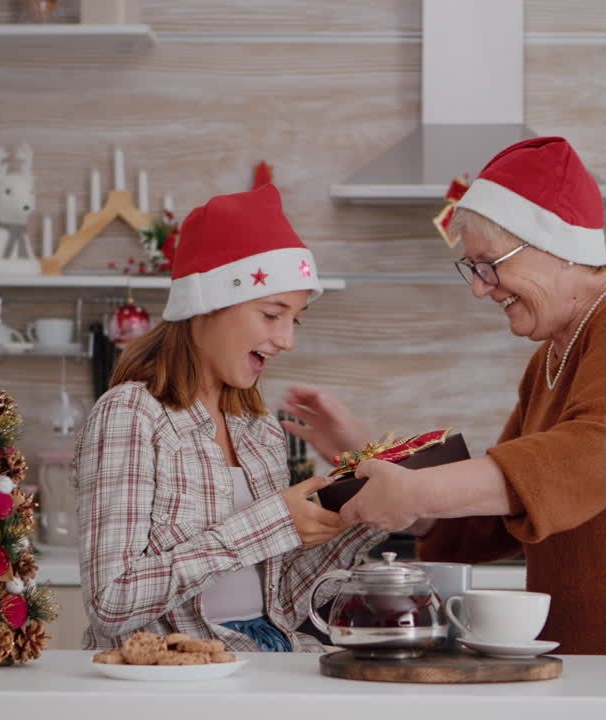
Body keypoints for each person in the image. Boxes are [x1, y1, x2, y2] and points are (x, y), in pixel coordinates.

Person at [281, 137, 606, 656]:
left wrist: (415, 492)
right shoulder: (549, 358)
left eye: (488, 264)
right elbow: (501, 512)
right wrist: (373, 459)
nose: (481, 287)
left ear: (556, 246)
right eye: (473, 269)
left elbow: (588, 456)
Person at [74, 184, 386, 652]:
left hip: (268, 654)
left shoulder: (259, 431)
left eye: (294, 320)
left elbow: (280, 603)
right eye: (271, 314)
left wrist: (360, 514)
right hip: (175, 670)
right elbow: (111, 599)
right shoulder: (131, 414)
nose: (286, 340)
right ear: (205, 306)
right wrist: (271, 523)